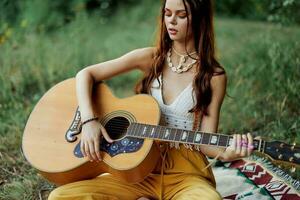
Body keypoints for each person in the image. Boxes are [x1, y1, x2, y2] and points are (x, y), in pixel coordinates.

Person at [48, 0, 254, 199]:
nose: (171, 21)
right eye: (167, 13)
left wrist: (226, 154)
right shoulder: (151, 58)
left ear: (199, 19)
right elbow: (86, 74)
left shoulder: (213, 77)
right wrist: (89, 121)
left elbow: (206, 139)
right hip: (137, 170)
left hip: (185, 174)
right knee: (60, 197)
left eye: (181, 15)